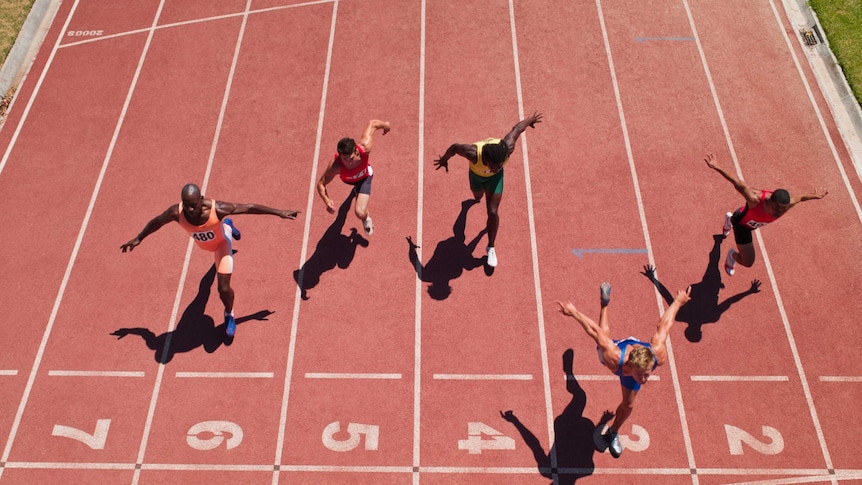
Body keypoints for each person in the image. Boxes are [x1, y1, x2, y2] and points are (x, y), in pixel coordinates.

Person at [121, 183, 299, 337]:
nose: (190, 210)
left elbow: (249, 207)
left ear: (201, 199)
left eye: (194, 205)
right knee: (202, 293)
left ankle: (229, 314)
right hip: (205, 245)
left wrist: (279, 212)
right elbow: (157, 222)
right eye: (187, 205)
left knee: (222, 288)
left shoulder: (218, 209)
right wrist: (139, 238)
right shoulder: (175, 212)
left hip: (221, 245)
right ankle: (227, 226)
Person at [557, 282, 691, 458]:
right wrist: (574, 312)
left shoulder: (658, 355)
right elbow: (595, 332)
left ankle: (613, 433)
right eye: (640, 375)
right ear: (631, 367)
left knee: (628, 405)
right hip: (619, 352)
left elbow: (664, 326)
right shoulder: (614, 358)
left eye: (647, 374)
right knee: (601, 344)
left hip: (636, 351)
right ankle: (604, 305)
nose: (644, 380)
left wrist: (678, 302)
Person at [433, 110, 543, 267]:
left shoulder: (507, 148)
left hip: (494, 181)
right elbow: (455, 147)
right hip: (476, 177)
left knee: (492, 211)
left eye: (499, 166)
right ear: (486, 159)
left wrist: (530, 120)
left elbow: (517, 129)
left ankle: (490, 247)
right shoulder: (472, 153)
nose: (495, 168)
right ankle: (465, 208)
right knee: (477, 197)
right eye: (493, 167)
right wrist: (444, 159)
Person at [703, 153, 828, 275]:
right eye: (778, 208)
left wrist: (814, 196)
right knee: (748, 262)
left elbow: (800, 198)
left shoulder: (787, 204)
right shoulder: (754, 199)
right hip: (742, 225)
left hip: (752, 223)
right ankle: (732, 254)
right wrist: (717, 166)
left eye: (784, 208)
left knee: (748, 261)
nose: (781, 211)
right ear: (771, 201)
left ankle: (728, 221)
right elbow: (738, 183)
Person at [317, 119, 391, 236]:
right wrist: (326, 201)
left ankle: (366, 218)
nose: (348, 163)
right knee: (350, 202)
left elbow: (373, 124)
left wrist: (386, 125)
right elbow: (321, 183)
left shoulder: (364, 148)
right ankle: (356, 192)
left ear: (356, 151)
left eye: (351, 158)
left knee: (359, 213)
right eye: (344, 159)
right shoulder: (335, 166)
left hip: (364, 178)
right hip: (349, 180)